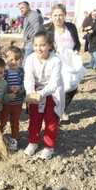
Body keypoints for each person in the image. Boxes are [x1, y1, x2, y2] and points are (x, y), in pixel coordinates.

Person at [24, 31, 64, 160]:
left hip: (52, 93)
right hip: (35, 91)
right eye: (36, 45)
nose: (38, 48)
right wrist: (31, 93)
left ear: (49, 45)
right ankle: (33, 142)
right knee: (35, 118)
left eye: (42, 45)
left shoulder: (56, 60)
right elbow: (28, 78)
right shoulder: (30, 59)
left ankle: (49, 146)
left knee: (51, 120)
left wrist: (40, 94)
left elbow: (54, 83)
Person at [42, 4, 81, 121]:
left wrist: (76, 50)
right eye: (55, 15)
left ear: (65, 15)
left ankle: (62, 108)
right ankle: (51, 111)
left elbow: (77, 43)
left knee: (72, 86)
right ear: (51, 16)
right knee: (54, 87)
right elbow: (41, 44)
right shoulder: (46, 28)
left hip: (70, 62)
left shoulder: (71, 27)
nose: (58, 18)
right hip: (53, 61)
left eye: (60, 15)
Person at [0, 45, 25, 151]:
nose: (14, 62)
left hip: (17, 103)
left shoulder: (21, 72)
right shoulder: (4, 73)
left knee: (15, 122)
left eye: (17, 59)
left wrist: (19, 89)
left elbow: (26, 85)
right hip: (5, 103)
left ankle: (14, 139)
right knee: (2, 121)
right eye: (11, 60)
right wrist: (9, 89)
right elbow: (2, 85)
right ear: (6, 60)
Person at [18, 1, 44, 67]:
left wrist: (35, 42)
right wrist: (24, 41)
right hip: (29, 41)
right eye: (20, 9)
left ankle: (26, 76)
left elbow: (37, 29)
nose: (21, 10)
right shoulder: (27, 16)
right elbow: (28, 31)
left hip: (33, 41)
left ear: (28, 7)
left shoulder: (33, 15)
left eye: (22, 8)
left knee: (26, 62)